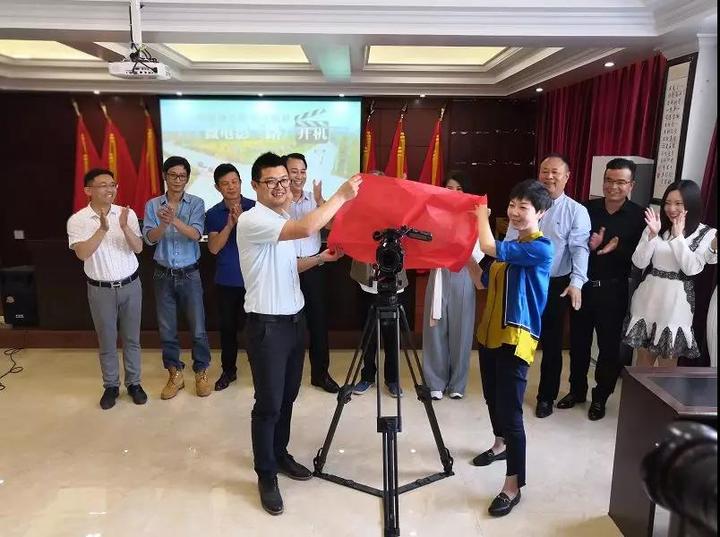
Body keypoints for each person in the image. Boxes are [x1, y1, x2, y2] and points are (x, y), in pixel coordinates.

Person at [236, 152, 360, 515]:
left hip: (293, 323)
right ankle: (266, 474)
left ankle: (279, 454)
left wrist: (321, 258)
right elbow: (307, 229)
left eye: (284, 181)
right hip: (267, 327)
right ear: (255, 186)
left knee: (288, 397)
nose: (280, 187)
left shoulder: (280, 219)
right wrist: (341, 196)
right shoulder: (253, 219)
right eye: (271, 181)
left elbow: (289, 265)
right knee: (269, 404)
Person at [467, 179, 553, 517]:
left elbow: (488, 245)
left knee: (512, 413)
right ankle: (499, 444)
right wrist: (462, 253)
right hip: (490, 334)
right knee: (492, 396)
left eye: (523, 207)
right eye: (512, 205)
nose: (515, 212)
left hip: (515, 339)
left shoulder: (540, 248)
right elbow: (481, 280)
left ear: (540, 212)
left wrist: (480, 216)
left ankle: (513, 485)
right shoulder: (510, 246)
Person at [558, 158, 646, 420]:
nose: (613, 187)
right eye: (609, 180)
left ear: (631, 185)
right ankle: (576, 391)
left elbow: (643, 257)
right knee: (578, 344)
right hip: (583, 288)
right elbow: (575, 246)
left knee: (609, 349)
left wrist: (616, 248)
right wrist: (591, 247)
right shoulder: (587, 209)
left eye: (620, 182)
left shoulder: (639, 217)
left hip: (613, 290)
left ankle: (600, 397)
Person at [505, 153, 591, 418]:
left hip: (555, 284)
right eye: (545, 171)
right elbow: (509, 241)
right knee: (516, 337)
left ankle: (546, 397)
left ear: (567, 177)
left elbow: (579, 249)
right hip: (522, 280)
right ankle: (511, 391)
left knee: (552, 344)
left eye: (555, 172)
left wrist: (577, 282)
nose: (549, 177)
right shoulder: (524, 205)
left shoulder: (576, 211)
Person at [67, 168, 145, 409]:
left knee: (132, 339)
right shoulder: (78, 220)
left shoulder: (126, 214)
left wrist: (124, 227)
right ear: (88, 190)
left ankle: (134, 383)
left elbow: (138, 248)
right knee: (107, 341)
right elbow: (82, 254)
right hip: (100, 290)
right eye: (103, 185)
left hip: (131, 285)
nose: (110, 189)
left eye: (112, 184)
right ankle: (111, 386)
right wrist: (102, 229)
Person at [624, 180, 717, 365]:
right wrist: (651, 236)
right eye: (667, 203)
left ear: (691, 204)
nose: (671, 208)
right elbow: (639, 262)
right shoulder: (657, 225)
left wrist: (678, 237)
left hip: (676, 303)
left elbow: (691, 268)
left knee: (667, 367)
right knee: (643, 363)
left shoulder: (706, 233)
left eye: (678, 203)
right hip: (647, 297)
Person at [143, 156, 212, 400]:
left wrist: (173, 220)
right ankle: (175, 374)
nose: (177, 180)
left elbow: (196, 234)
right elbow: (149, 239)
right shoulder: (153, 205)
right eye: (173, 175)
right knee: (167, 329)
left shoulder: (196, 203)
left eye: (182, 176)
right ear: (165, 176)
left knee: (198, 328)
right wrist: (163, 225)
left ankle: (201, 372)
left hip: (190, 273)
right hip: (162, 274)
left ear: (187, 178)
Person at [422, 172, 481, 400]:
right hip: (438, 273)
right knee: (434, 328)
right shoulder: (434, 213)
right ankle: (435, 381)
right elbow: (425, 243)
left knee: (462, 329)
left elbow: (480, 250)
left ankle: (457, 383)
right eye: (449, 188)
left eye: (459, 188)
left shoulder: (476, 215)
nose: (454, 192)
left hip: (464, 273)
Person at [284, 152, 339, 393]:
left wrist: (320, 201)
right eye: (293, 171)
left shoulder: (314, 200)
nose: (299, 176)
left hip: (314, 266)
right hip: (285, 268)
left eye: (302, 171)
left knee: (318, 322)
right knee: (286, 323)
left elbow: (333, 225)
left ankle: (320, 374)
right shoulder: (278, 201)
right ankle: (285, 374)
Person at [205, 163, 256, 391]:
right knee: (227, 330)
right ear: (218, 188)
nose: (231, 187)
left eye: (234, 182)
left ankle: (259, 370)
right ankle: (228, 371)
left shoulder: (255, 208)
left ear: (241, 183)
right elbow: (214, 248)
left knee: (255, 329)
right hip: (226, 281)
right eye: (225, 184)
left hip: (253, 279)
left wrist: (244, 221)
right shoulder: (213, 213)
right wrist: (230, 225)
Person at [349, 259, 406, 398]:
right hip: (367, 282)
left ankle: (392, 379)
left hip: (394, 280)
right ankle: (367, 376)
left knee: (392, 336)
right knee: (368, 334)